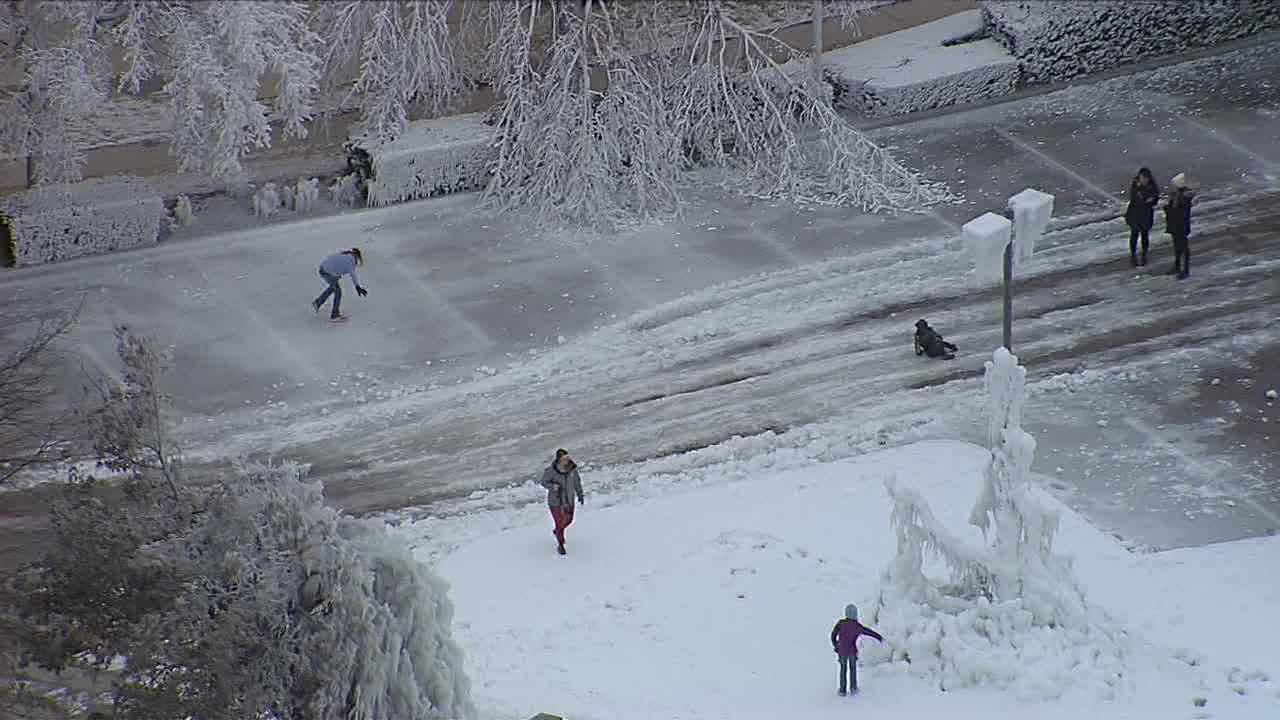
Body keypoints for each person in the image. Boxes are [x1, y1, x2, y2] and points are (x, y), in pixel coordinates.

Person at [830, 603, 884, 696]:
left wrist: (836, 645)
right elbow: (868, 632)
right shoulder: (856, 626)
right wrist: (879, 637)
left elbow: (833, 635)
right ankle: (853, 688)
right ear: (855, 614)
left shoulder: (840, 623)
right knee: (853, 669)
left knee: (843, 670)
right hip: (852, 652)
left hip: (842, 651)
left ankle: (842, 691)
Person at [540, 448, 585, 556]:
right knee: (559, 521)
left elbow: (577, 483)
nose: (567, 460)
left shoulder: (572, 470)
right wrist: (552, 486)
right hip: (555, 501)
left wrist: (580, 494)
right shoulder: (550, 471)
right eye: (564, 459)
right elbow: (543, 482)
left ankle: (557, 531)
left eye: (567, 458)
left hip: (569, 500)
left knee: (568, 520)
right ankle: (560, 544)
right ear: (559, 459)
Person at [312, 248, 369, 321]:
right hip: (327, 273)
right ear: (356, 256)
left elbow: (335, 262)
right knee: (338, 292)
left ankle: (317, 303)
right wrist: (358, 287)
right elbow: (352, 275)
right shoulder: (350, 261)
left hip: (323, 269)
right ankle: (334, 315)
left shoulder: (344, 254)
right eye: (357, 259)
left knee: (333, 288)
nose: (357, 261)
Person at [1124, 167, 1159, 267]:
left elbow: (1155, 198)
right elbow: (1136, 198)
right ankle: (1133, 255)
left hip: (1146, 214)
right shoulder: (1136, 185)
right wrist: (1146, 199)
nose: (1144, 180)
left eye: (1145, 178)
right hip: (1135, 214)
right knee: (1134, 234)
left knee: (1144, 234)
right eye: (1142, 178)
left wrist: (1149, 199)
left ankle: (1144, 254)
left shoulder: (1152, 186)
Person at [1163, 173, 1195, 280]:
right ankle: (1178, 266)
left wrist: (1168, 208)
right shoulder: (1176, 196)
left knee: (1183, 247)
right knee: (1177, 246)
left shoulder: (1182, 197)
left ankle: (1185, 269)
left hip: (1180, 225)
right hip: (1175, 224)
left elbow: (1179, 212)